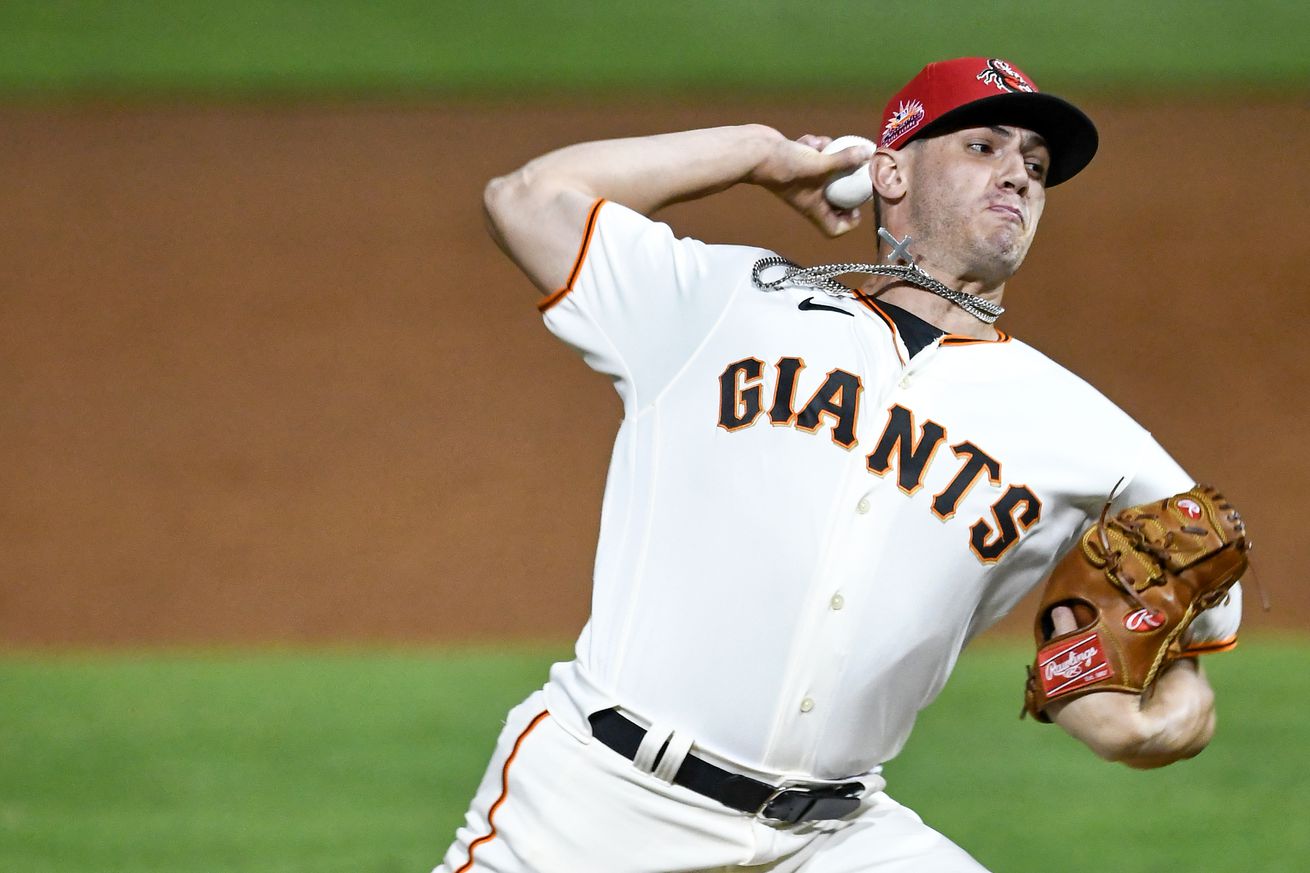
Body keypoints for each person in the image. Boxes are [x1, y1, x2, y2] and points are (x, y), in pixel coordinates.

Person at [437, 57, 1242, 872]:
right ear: (888, 170)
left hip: (832, 838)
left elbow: (1203, 602)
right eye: (983, 147)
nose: (1019, 176)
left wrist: (1160, 721)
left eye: (1035, 165)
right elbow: (528, 198)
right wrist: (759, 152)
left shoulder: (1089, 433)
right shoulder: (728, 300)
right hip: (599, 802)